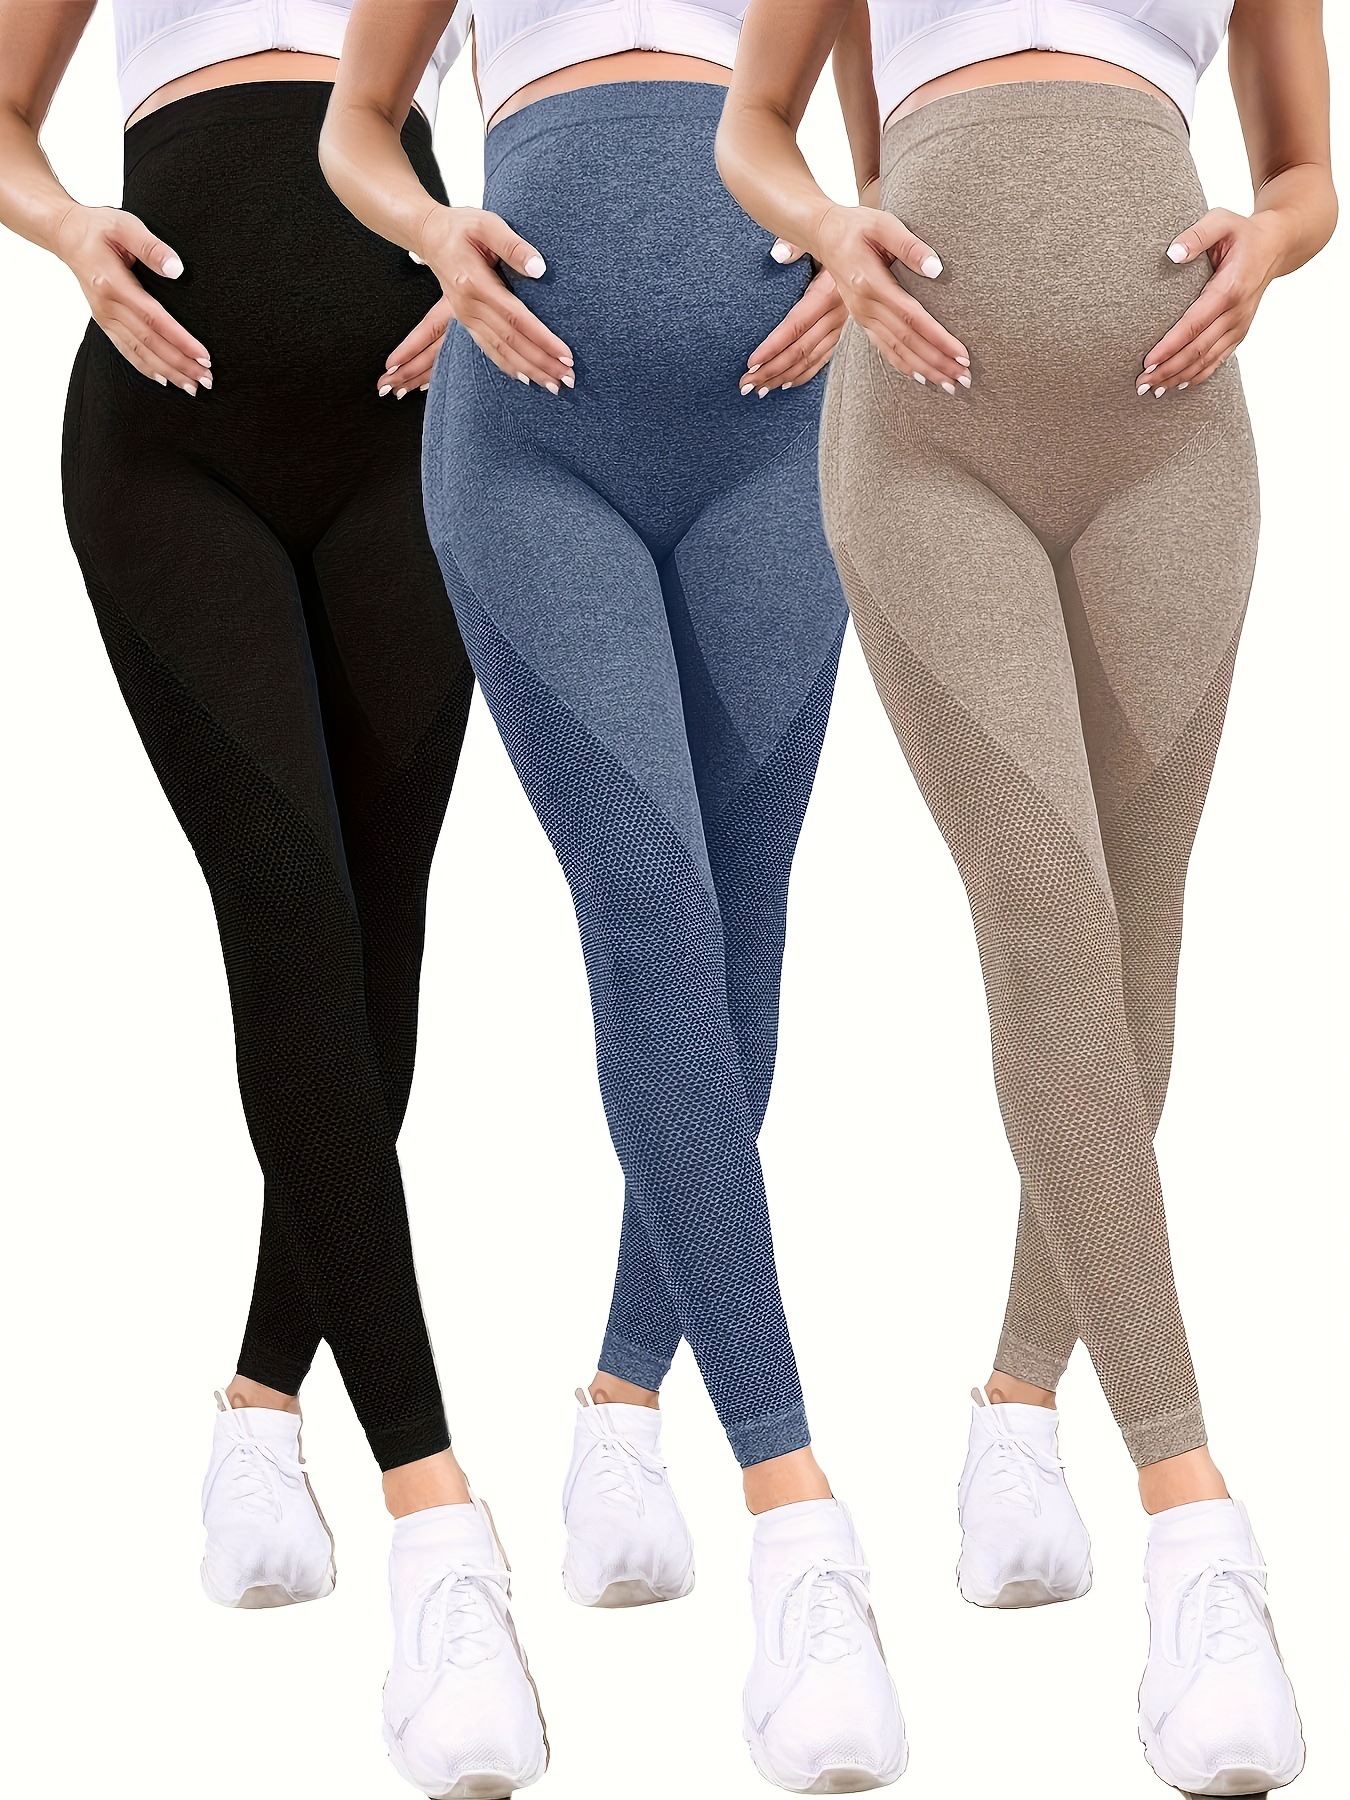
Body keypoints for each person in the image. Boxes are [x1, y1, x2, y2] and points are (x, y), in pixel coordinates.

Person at [716, 1, 1335, 1792]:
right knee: (1045, 893)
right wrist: (829, 225)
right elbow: (753, 125)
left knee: (1135, 938)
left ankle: (1011, 1408)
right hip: (926, 425)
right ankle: (1195, 1527)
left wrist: (1270, 242)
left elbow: (1306, 170)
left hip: (1173, 430)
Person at [322, 0, 908, 1791]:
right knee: (648, 891)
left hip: (782, 426)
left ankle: (619, 1409)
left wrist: (865, 251)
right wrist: (436, 234)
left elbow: (892, 136)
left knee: (741, 925)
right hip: (533, 429)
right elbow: (355, 125)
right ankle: (798, 1525)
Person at [0, 0, 498, 1723]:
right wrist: (72, 230)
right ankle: (440, 1524)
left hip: (417, 426)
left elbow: (589, 73)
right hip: (171, 430)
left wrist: (505, 252)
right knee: (288, 903)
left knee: (377, 936)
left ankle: (262, 1406)